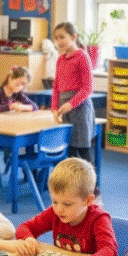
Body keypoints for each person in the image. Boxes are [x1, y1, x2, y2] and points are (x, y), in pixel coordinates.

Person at [15, 158, 116, 256]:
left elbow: (109, 251)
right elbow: (24, 227)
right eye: (54, 201)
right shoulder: (54, 213)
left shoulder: (98, 219)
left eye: (67, 204)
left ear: (88, 201)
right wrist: (29, 239)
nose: (58, 209)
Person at [51, 22, 96, 162]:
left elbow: (88, 88)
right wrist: (54, 108)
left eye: (62, 37)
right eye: (56, 38)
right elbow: (56, 87)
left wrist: (70, 104)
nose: (58, 42)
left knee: (82, 149)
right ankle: (73, 183)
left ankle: (91, 184)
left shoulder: (82, 56)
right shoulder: (60, 59)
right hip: (65, 107)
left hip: (80, 107)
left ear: (73, 36)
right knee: (69, 149)